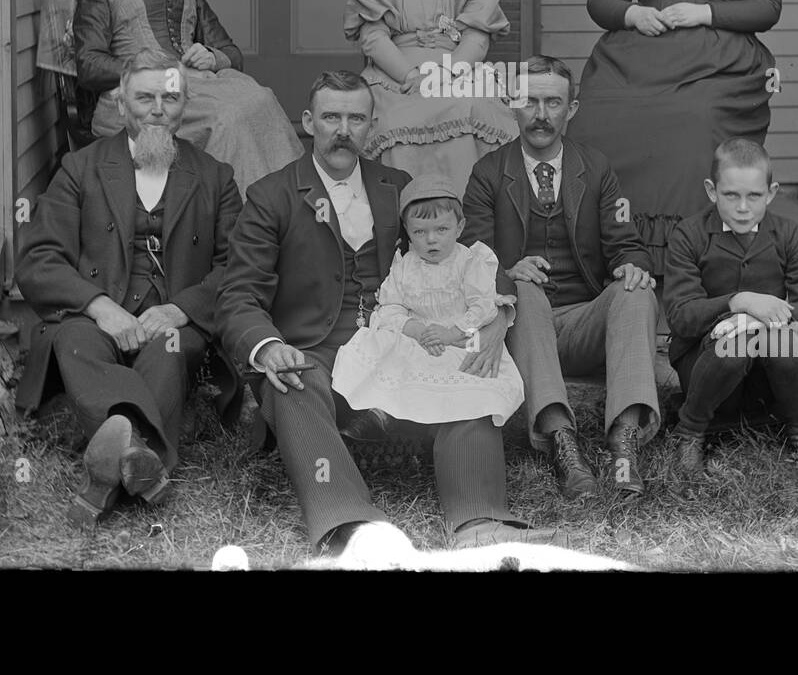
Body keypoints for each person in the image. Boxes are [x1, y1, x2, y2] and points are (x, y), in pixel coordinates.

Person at [218, 70, 555, 555]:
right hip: (316, 351)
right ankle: (351, 524)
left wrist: (497, 319)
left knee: (469, 366)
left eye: (356, 118)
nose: (343, 129)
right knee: (291, 380)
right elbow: (239, 294)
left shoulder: (397, 187)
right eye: (331, 116)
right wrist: (269, 347)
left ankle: (478, 519)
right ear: (309, 122)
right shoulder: (272, 196)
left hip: (400, 345)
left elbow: (465, 254)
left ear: (371, 126)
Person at [15, 49, 243, 523]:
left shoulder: (216, 177)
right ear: (122, 105)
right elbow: (38, 258)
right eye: (144, 97)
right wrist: (100, 306)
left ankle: (111, 465)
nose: (157, 108)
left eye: (170, 97)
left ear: (185, 104)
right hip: (97, 315)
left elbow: (236, 264)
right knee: (74, 341)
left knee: (170, 347)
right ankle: (142, 459)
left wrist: (181, 309)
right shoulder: (82, 168)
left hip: (172, 318)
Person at [566, 0, 781, 275]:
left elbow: (766, 6)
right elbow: (600, 0)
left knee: (691, 119)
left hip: (720, 59)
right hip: (641, 51)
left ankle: (688, 258)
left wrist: (704, 12)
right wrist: (632, 13)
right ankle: (615, 249)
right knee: (598, 116)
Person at [461, 56, 661, 498]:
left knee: (636, 290)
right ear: (512, 104)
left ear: (571, 109)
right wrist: (508, 270)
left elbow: (627, 242)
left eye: (554, 103)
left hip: (584, 322)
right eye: (530, 101)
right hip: (523, 329)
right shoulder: (488, 174)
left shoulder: (596, 169)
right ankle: (561, 442)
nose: (541, 114)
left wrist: (632, 264)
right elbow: (472, 257)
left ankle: (624, 442)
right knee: (525, 289)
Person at [73, 0, 303, 195]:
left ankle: (282, 206)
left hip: (198, 87)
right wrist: (154, 71)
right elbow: (89, 65)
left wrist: (211, 56)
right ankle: (233, 217)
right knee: (228, 117)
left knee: (261, 98)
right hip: (137, 97)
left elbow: (232, 53)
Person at [663, 138, 798, 485]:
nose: (743, 208)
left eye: (755, 196)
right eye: (731, 195)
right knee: (738, 343)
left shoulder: (786, 235)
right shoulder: (688, 235)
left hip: (767, 375)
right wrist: (737, 302)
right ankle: (690, 432)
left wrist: (758, 318)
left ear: (772, 192)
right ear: (711, 190)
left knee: (779, 338)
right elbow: (681, 316)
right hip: (709, 366)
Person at [344, 0, 518, 192]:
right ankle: (408, 220)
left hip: (455, 69)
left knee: (471, 108)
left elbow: (477, 38)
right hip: (396, 73)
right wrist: (410, 76)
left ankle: (467, 219)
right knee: (396, 122)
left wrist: (445, 74)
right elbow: (373, 37)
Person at [332, 176, 524, 428]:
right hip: (421, 337)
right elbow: (390, 306)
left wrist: (451, 332)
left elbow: (483, 306)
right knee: (386, 345)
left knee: (471, 364)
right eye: (420, 232)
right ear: (408, 231)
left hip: (463, 337)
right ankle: (382, 412)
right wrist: (416, 330)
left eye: (441, 230)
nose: (431, 239)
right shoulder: (405, 265)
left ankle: (458, 409)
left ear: (459, 227)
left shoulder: (468, 262)